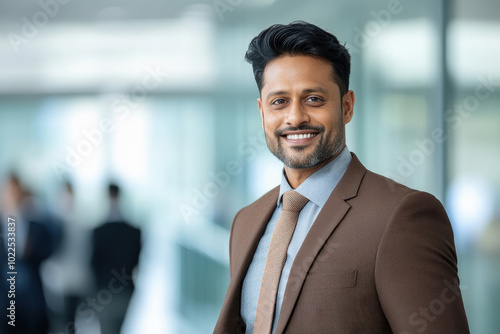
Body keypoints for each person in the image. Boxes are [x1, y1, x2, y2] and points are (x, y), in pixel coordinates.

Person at [214, 21, 469, 333]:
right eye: (279, 101)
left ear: (346, 107)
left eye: (314, 99)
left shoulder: (402, 215)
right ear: (262, 111)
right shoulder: (246, 221)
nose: (295, 117)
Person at [91, 183, 141, 334]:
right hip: (125, 290)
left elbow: (93, 263)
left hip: (104, 292)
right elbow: (136, 261)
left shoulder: (98, 231)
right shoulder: (133, 232)